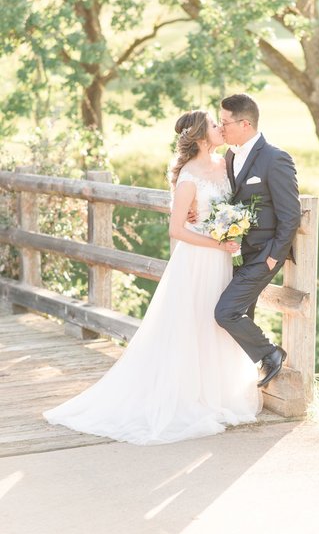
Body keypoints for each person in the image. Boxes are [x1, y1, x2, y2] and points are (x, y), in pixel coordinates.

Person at [43, 110, 262, 445]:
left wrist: (231, 233)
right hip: (197, 260)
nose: (221, 128)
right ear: (202, 137)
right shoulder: (189, 177)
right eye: (215, 125)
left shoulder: (226, 163)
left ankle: (214, 394)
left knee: (214, 323)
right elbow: (177, 229)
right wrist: (219, 243)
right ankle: (189, 397)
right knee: (193, 323)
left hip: (218, 260)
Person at [214, 93, 301, 387]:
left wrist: (274, 255)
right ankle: (239, 389)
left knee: (225, 312)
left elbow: (291, 215)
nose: (220, 127)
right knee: (240, 315)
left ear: (245, 123)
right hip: (237, 253)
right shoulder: (229, 156)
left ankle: (271, 353)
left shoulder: (276, 158)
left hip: (265, 254)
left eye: (225, 122)